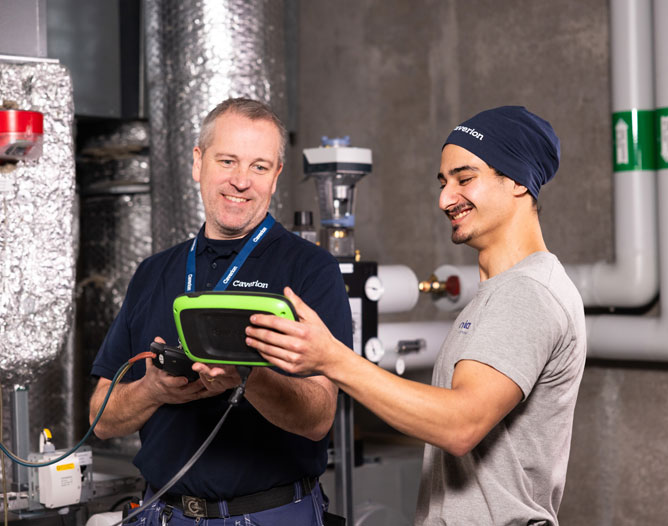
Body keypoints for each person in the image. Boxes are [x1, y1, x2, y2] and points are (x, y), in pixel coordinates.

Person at [246, 106, 587, 525]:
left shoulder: (527, 293)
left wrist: (332, 359)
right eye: (443, 183)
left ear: (517, 180)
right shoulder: (499, 293)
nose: (445, 198)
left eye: (465, 179)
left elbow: (460, 424)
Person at [89, 97, 353, 526]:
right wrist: (153, 390)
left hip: (271, 516)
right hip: (164, 515)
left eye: (259, 167)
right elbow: (100, 419)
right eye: (227, 160)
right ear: (198, 162)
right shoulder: (154, 272)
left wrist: (246, 376)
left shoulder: (309, 270)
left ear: (276, 177)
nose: (241, 181)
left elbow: (319, 417)